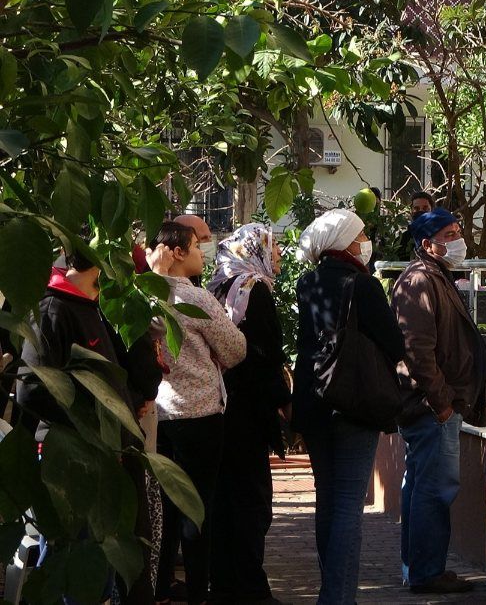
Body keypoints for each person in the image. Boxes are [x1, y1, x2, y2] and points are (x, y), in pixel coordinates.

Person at [16, 242, 163, 604]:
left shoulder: (88, 305)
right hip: (76, 461)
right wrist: (94, 423)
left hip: (106, 457)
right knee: (74, 564)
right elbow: (31, 389)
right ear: (100, 260)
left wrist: (125, 403)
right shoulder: (53, 308)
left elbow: (111, 374)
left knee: (100, 567)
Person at [292, 209, 407, 605]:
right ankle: (338, 598)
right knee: (347, 505)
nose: (365, 243)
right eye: (360, 236)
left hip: (314, 401)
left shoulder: (306, 283)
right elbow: (394, 343)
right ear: (344, 241)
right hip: (355, 402)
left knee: (327, 500)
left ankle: (332, 592)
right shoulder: (363, 285)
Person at [391, 207, 486, 595]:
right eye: (449, 235)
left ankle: (419, 568)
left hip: (436, 405)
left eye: (458, 232)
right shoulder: (420, 281)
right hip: (431, 407)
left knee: (423, 486)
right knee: (433, 489)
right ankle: (426, 572)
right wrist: (442, 401)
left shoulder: (435, 276)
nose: (459, 240)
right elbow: (417, 349)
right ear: (427, 244)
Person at [150, 221, 247, 605]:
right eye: (196, 246)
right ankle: (197, 592)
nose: (202, 253)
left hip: (158, 414)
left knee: (163, 509)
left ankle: (159, 589)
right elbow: (235, 348)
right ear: (176, 252)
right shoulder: (195, 298)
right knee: (196, 506)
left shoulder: (141, 295)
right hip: (200, 414)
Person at [207, 224, 291, 605]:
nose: (278, 256)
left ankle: (225, 583)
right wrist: (284, 399)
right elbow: (264, 355)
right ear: (253, 250)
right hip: (247, 413)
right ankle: (251, 588)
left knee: (225, 501)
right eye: (273, 248)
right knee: (251, 503)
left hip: (221, 408)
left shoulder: (219, 285)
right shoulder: (253, 290)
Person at [398, 192, 435, 261]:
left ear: (432, 210)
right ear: (411, 211)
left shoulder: (441, 237)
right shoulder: (403, 239)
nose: (421, 212)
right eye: (417, 209)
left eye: (425, 208)